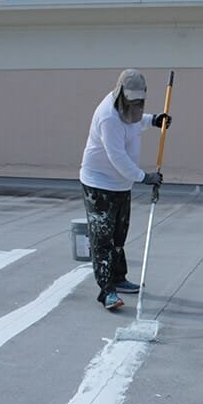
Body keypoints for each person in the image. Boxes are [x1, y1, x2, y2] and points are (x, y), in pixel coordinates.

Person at [79, 69, 171, 311]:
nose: (135, 106)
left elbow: (135, 122)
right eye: (132, 101)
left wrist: (153, 120)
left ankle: (119, 278)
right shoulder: (108, 117)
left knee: (119, 235)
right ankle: (106, 291)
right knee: (103, 239)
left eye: (139, 102)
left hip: (121, 184)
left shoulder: (132, 108)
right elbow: (117, 157)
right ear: (120, 94)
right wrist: (144, 177)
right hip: (99, 185)